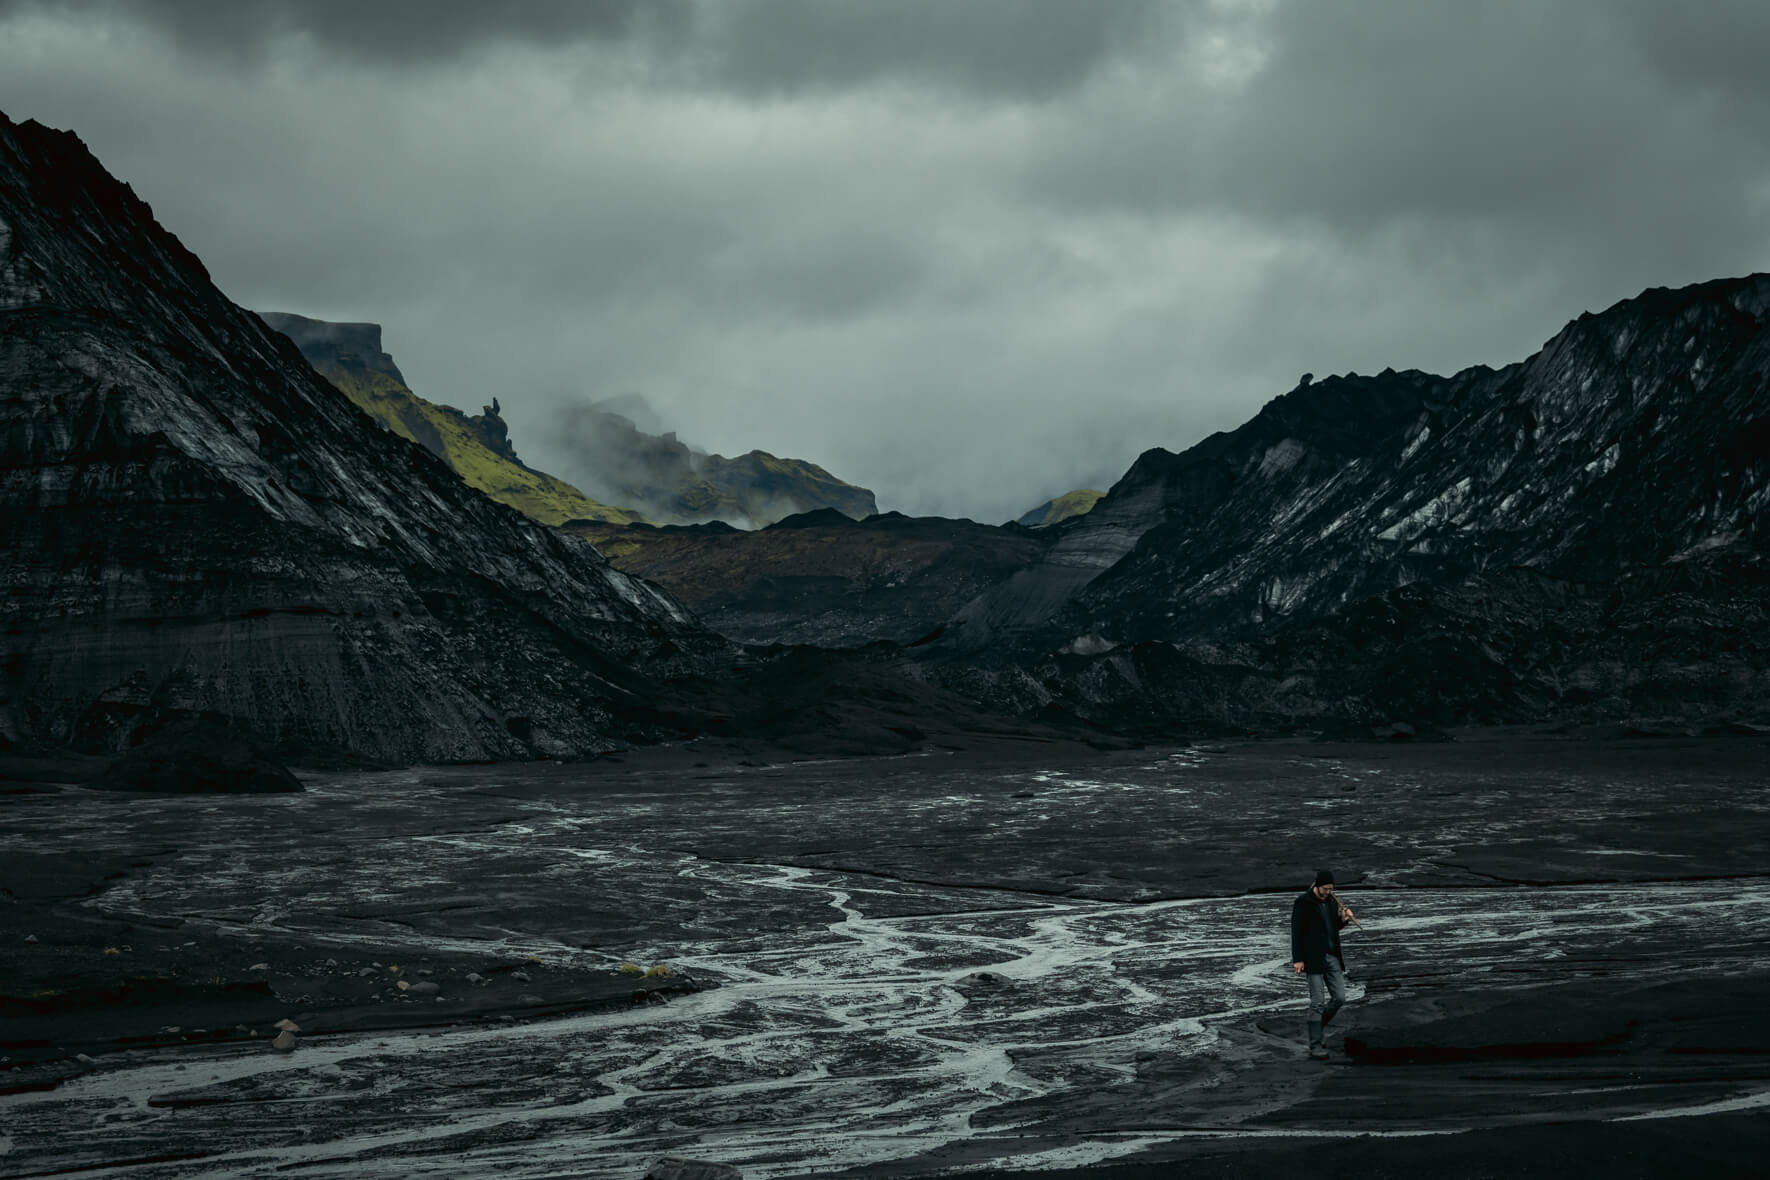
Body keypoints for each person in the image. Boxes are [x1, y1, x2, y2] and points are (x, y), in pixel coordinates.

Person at [1290, 868, 1354, 1059]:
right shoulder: (1303, 902)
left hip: (1332, 956)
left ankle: (1317, 1029)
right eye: (1325, 888)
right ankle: (1315, 1044)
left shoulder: (1332, 902)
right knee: (1317, 1002)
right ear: (1317, 885)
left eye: (1331, 888)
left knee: (1340, 998)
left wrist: (1344, 920)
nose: (1328, 892)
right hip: (1313, 958)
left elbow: (1332, 928)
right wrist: (1298, 959)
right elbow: (1296, 931)